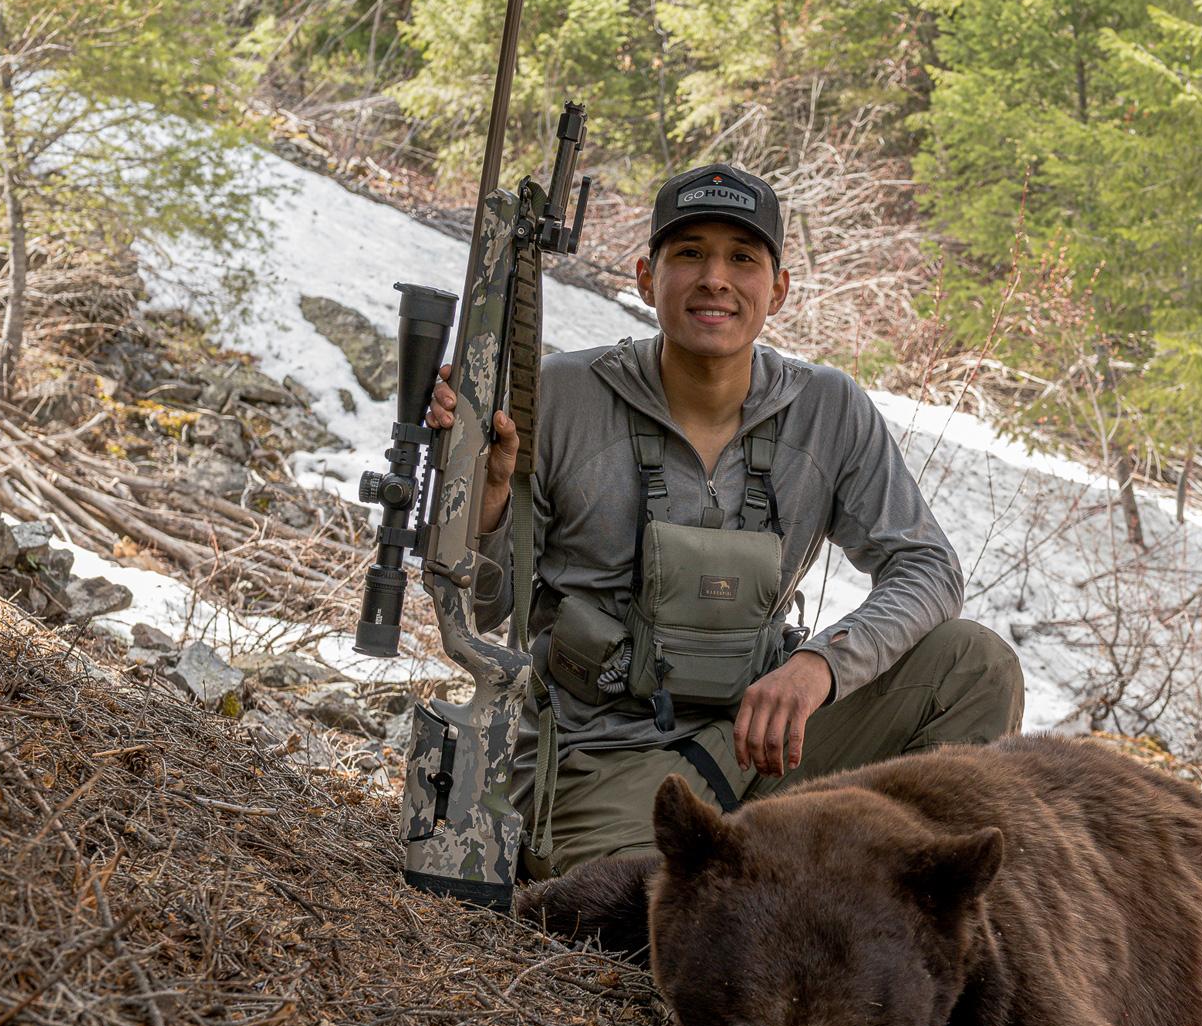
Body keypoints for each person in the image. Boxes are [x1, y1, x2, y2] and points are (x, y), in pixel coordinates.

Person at [427, 162, 1023, 879]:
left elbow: (929, 567)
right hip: (607, 763)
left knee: (975, 665)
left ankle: (908, 910)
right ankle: (797, 879)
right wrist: (486, 493)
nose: (715, 278)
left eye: (742, 257)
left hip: (766, 742)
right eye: (690, 254)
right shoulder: (561, 395)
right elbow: (486, 610)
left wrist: (818, 667)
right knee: (655, 906)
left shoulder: (828, 408)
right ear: (647, 277)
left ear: (779, 288)